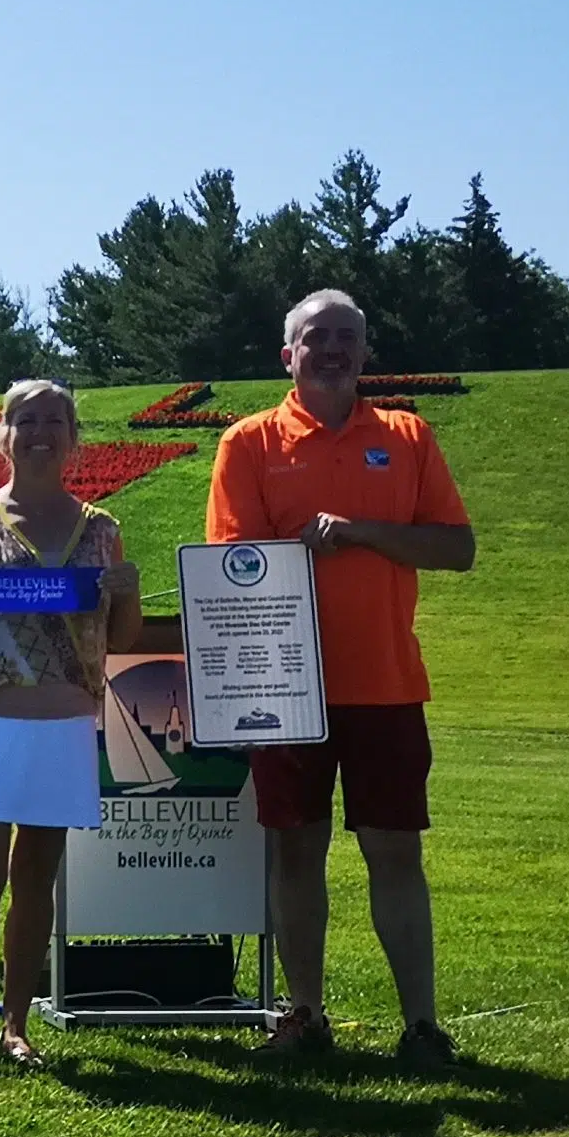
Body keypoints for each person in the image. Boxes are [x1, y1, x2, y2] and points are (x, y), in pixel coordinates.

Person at [207, 289, 476, 1069]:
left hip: (386, 682)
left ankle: (421, 1025)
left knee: (395, 853)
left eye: (346, 338)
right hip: (283, 687)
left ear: (365, 354)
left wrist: (360, 534)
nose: (330, 349)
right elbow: (232, 569)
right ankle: (304, 1015)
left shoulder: (407, 435)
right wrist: (299, 547)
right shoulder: (248, 443)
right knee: (296, 853)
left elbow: (456, 549)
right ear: (285, 354)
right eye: (314, 336)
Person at [0, 380, 142, 1068]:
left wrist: (126, 591)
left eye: (55, 420)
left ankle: (16, 1025)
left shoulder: (101, 530)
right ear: (4, 435)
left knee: (35, 878)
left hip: (65, 722)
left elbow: (124, 635)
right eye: (27, 420)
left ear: (73, 436)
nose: (41, 432)